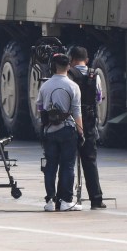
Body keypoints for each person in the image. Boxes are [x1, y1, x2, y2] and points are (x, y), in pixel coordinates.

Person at [36, 52, 84, 212]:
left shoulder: (45, 85)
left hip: (49, 130)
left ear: (53, 66)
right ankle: (65, 200)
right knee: (67, 166)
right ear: (68, 67)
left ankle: (50, 200)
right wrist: (81, 132)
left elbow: (39, 107)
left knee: (50, 166)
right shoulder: (73, 86)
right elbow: (77, 112)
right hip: (68, 129)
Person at [67, 45, 106, 209]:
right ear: (87, 60)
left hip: (71, 121)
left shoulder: (68, 75)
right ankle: (96, 199)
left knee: (68, 162)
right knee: (90, 161)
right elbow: (99, 98)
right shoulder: (94, 75)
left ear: (72, 60)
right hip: (89, 121)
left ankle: (66, 197)